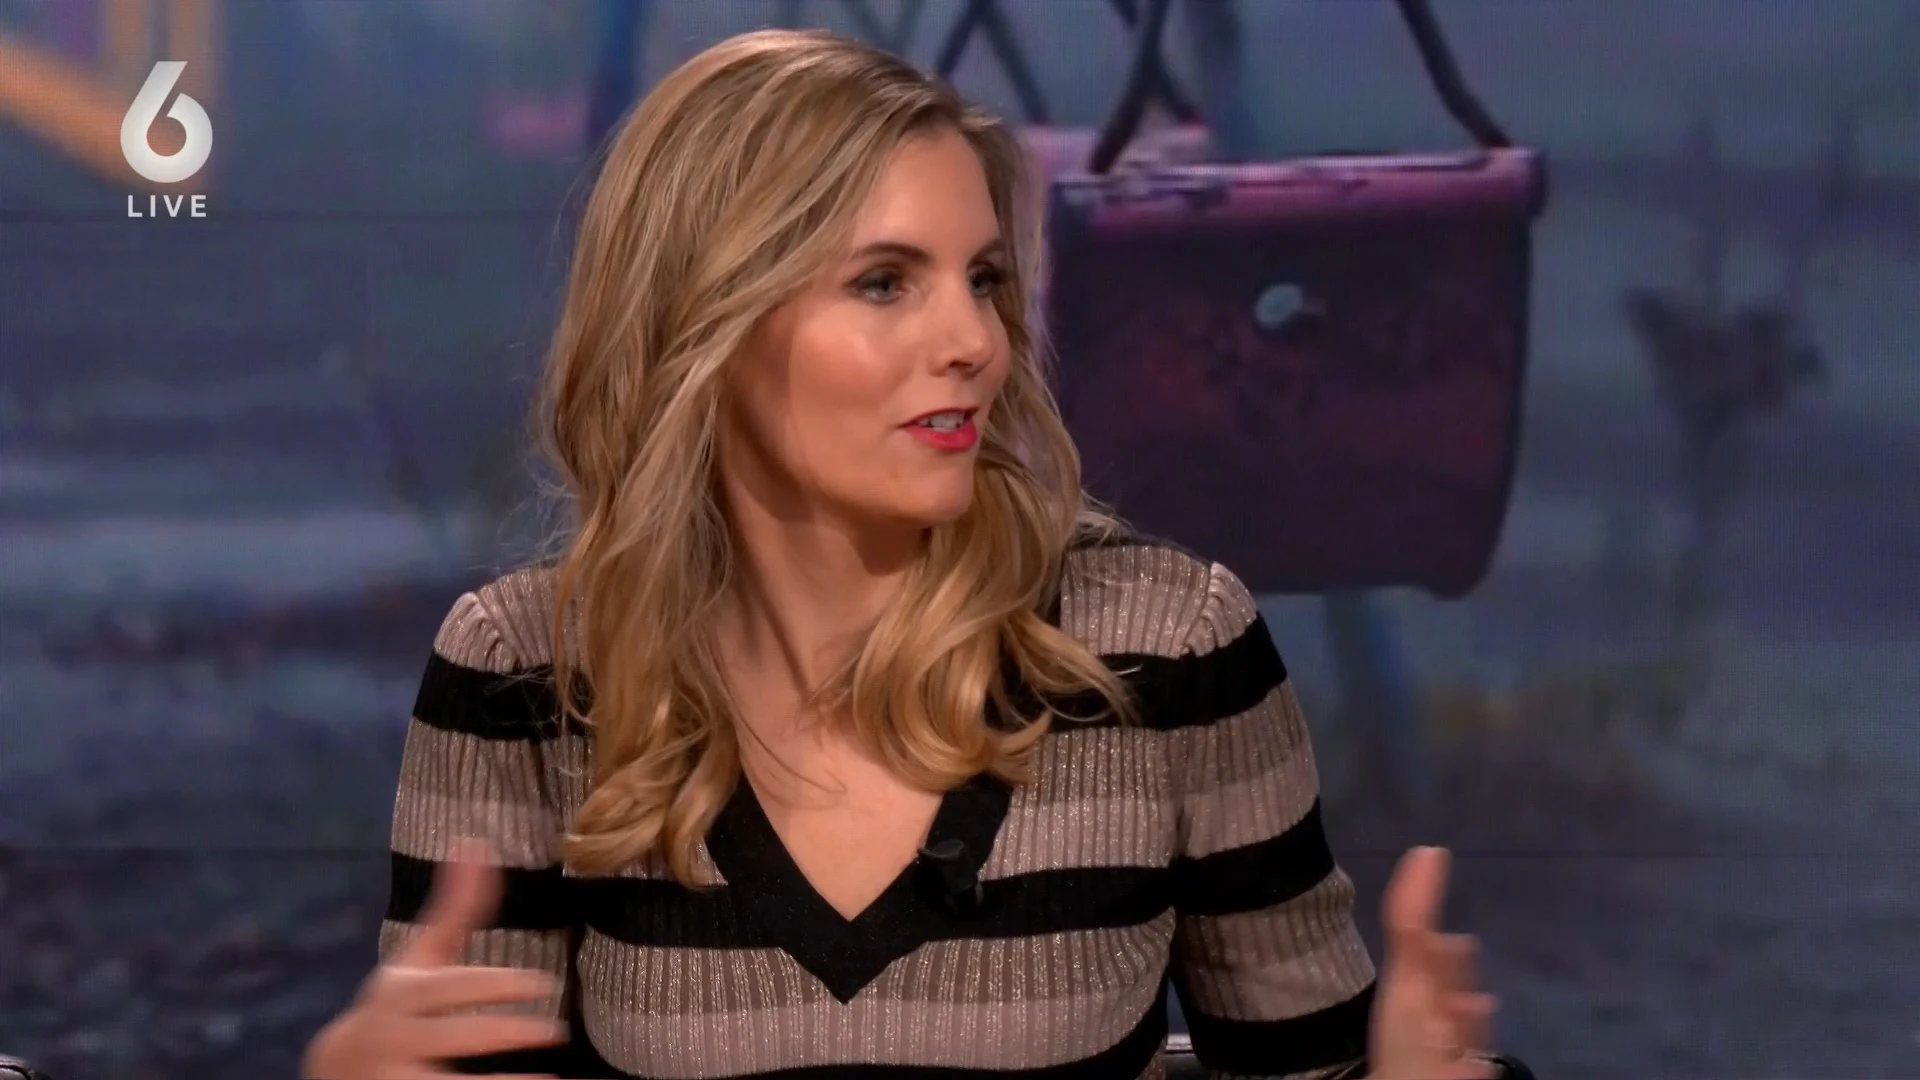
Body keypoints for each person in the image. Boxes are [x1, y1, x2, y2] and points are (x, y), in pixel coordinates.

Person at [302, 28, 1502, 1080]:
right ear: (703, 327)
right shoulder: (523, 674)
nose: (975, 341)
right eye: (885, 282)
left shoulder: (1166, 648)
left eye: (984, 280)